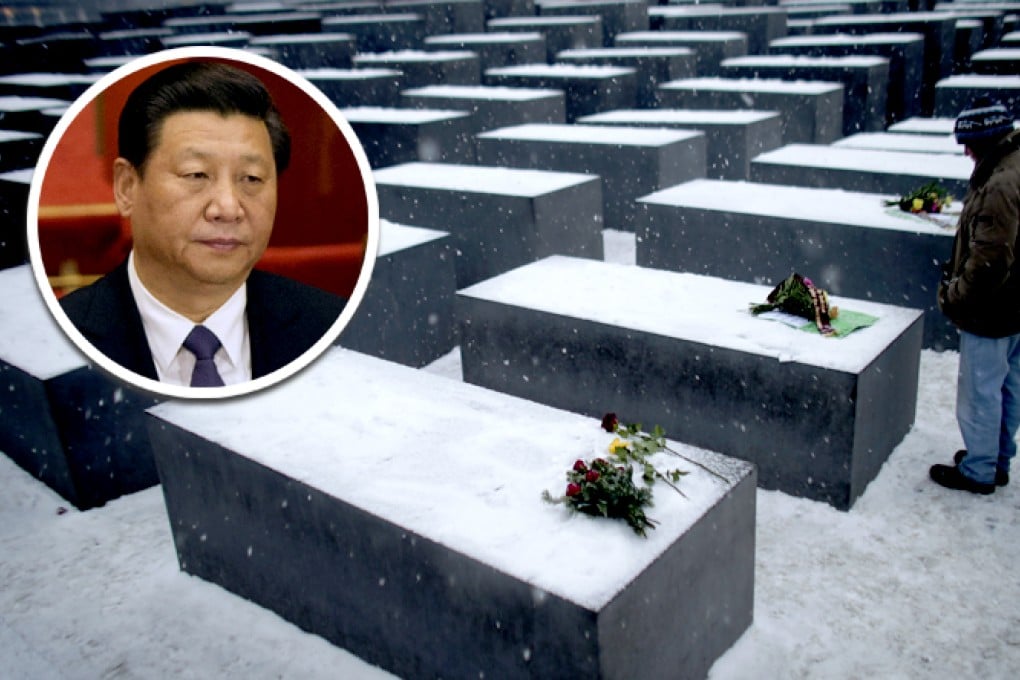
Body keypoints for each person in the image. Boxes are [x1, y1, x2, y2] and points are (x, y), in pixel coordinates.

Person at [60, 60, 347, 388]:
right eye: (196, 174)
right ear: (127, 187)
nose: (228, 208)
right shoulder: (58, 342)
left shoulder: (333, 331)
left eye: (251, 178)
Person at [930, 97, 1020, 494]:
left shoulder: (999, 184)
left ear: (985, 139)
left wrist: (956, 296)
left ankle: (979, 470)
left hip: (993, 307)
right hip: (1015, 303)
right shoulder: (1012, 166)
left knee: (981, 391)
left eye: (969, 144)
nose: (965, 152)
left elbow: (989, 259)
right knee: (1008, 385)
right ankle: (998, 459)